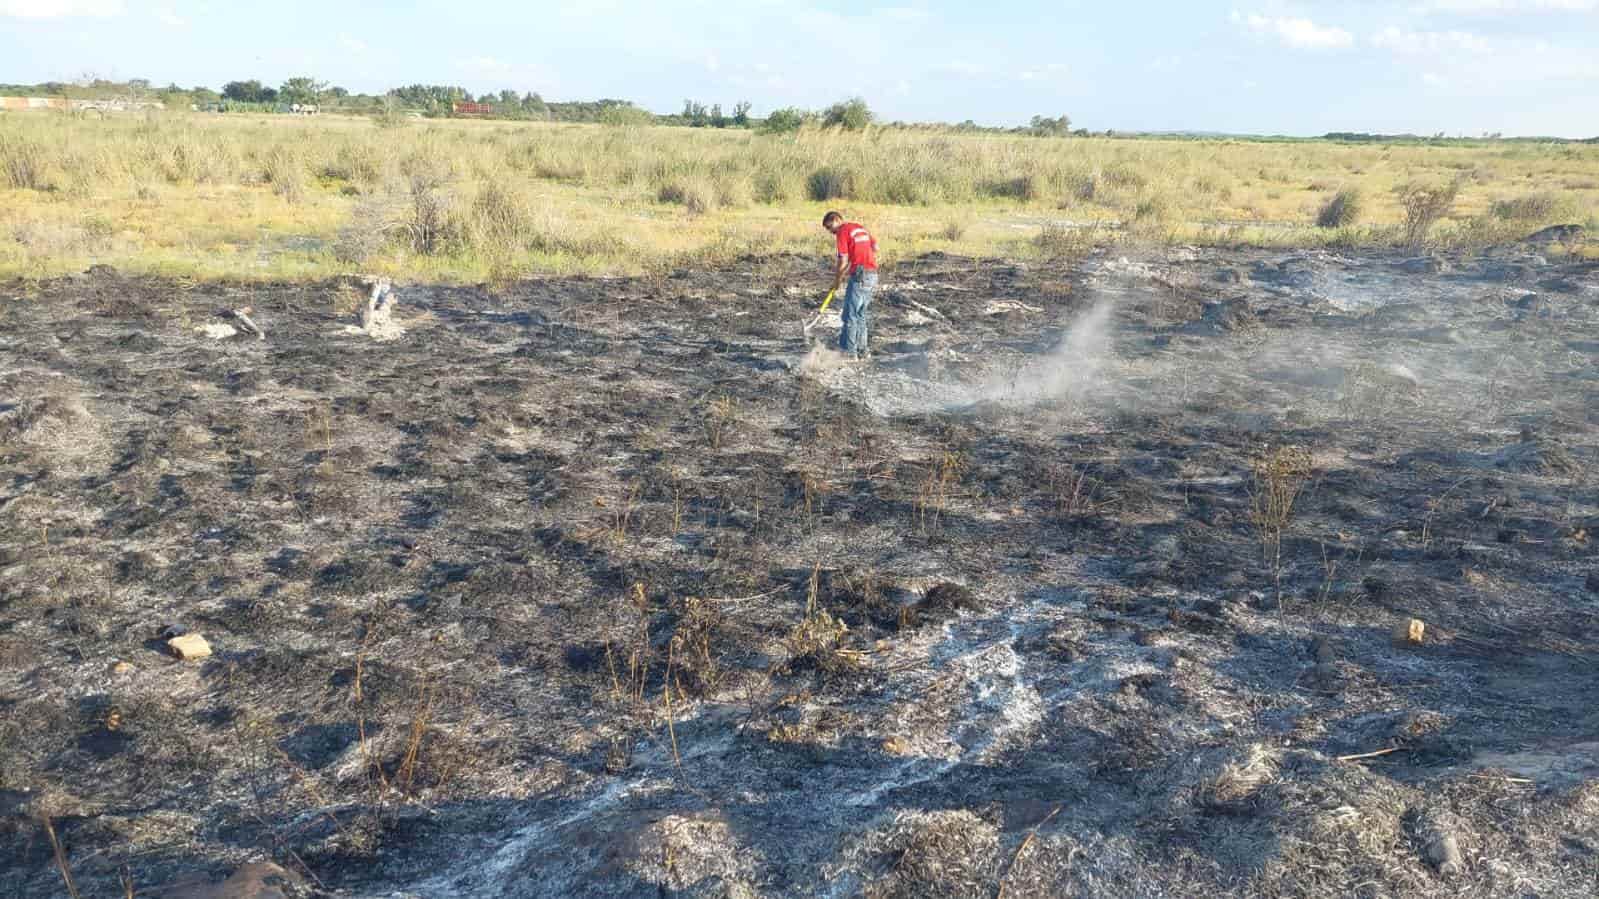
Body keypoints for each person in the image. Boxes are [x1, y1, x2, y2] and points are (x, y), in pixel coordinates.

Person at [823, 211, 877, 358]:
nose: (831, 232)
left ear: (836, 220)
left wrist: (837, 281)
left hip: (860, 276)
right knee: (860, 315)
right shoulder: (859, 227)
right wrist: (857, 262)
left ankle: (850, 353)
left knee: (849, 316)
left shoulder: (842, 231)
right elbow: (875, 247)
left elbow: (843, 260)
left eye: (829, 227)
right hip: (872, 274)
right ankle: (863, 351)